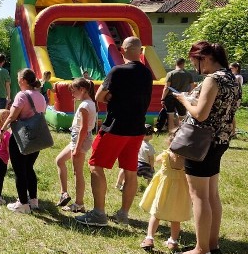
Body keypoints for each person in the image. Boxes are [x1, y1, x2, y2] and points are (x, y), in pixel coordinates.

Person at [171, 41, 241, 254]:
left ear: (205, 58)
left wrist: (183, 99)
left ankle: (201, 249)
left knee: (199, 196)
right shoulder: (231, 78)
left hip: (200, 142)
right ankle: (212, 243)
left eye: (195, 61)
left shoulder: (212, 79)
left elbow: (200, 114)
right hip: (221, 140)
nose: (194, 66)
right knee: (211, 194)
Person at [76, 37, 153, 227]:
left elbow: (99, 96)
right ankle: (123, 214)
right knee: (130, 171)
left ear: (123, 50)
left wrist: (113, 97)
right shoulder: (146, 73)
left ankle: (99, 213)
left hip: (116, 127)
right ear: (140, 51)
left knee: (95, 165)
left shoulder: (117, 71)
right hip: (137, 129)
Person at [1, 68, 48, 213]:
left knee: (19, 170)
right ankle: (33, 200)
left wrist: (1, 130)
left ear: (23, 80)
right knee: (29, 168)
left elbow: (12, 116)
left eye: (18, 78)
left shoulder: (21, 95)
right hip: (37, 137)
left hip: (21, 137)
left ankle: (22, 203)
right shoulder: (40, 96)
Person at [55, 77, 97, 213]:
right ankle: (64, 193)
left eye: (74, 91)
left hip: (80, 139)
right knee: (60, 160)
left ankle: (79, 204)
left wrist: (77, 148)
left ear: (82, 90)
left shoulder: (85, 105)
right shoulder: (88, 103)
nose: (72, 95)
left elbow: (84, 129)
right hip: (77, 138)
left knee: (77, 172)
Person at [138, 147, 191, 252]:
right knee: (176, 218)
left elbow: (157, 159)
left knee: (156, 214)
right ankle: (173, 241)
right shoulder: (188, 159)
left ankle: (149, 238)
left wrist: (168, 150)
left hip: (163, 191)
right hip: (180, 192)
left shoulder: (166, 155)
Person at [162, 58, 194, 134]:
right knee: (182, 116)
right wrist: (188, 94)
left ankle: (171, 133)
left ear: (175, 64)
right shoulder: (189, 74)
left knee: (170, 115)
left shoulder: (171, 74)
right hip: (182, 97)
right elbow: (192, 86)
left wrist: (162, 98)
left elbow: (167, 87)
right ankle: (181, 133)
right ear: (183, 64)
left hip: (170, 96)